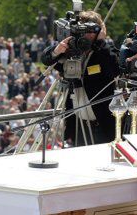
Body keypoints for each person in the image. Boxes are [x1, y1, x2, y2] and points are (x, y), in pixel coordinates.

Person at [41, 10, 120, 145]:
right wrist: (57, 50)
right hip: (77, 126)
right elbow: (46, 59)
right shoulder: (71, 48)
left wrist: (100, 42)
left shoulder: (105, 50)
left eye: (92, 30)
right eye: (84, 30)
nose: (88, 35)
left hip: (102, 127)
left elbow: (115, 68)